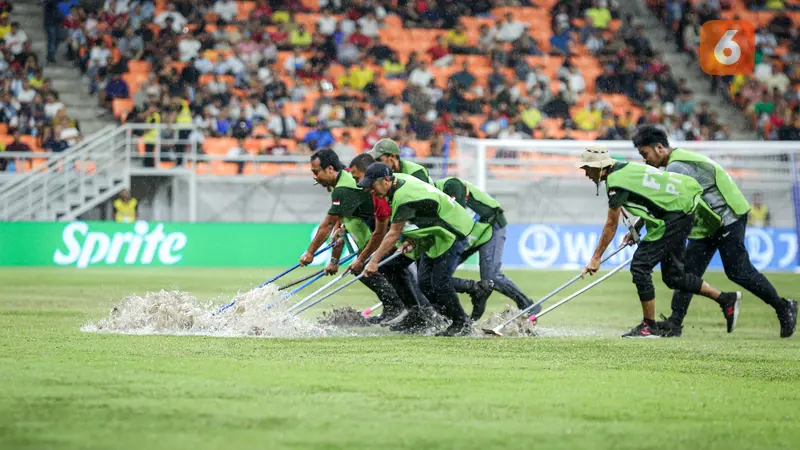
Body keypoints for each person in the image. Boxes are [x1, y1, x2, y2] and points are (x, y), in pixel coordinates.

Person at [632, 126, 797, 338]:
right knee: (687, 272)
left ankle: (784, 307)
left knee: (738, 271)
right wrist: (639, 225)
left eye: (645, 154)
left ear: (659, 148)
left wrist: (639, 227)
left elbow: (662, 205)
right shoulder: (677, 162)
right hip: (710, 222)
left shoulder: (677, 167)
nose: (645, 160)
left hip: (728, 216)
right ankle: (675, 322)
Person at [577, 146, 742, 338]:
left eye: (587, 168)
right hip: (682, 211)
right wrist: (637, 228)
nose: (586, 173)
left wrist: (596, 258)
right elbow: (654, 197)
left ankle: (649, 327)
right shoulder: (627, 168)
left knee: (640, 266)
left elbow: (611, 225)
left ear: (599, 167)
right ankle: (726, 300)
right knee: (674, 277)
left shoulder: (615, 181)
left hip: (674, 217)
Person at [359, 162, 476, 336]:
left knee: (439, 282)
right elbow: (422, 210)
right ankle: (449, 319)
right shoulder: (399, 182)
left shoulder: (402, 196)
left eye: (372, 185)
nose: (370, 190)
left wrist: (374, 261)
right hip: (434, 234)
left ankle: (461, 323)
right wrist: (412, 238)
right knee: (424, 283)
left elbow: (393, 234)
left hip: (453, 231)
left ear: (385, 180)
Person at [299, 149, 407, 325]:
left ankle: (399, 307)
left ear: (330, 169)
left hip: (380, 230)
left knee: (368, 269)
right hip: (374, 230)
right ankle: (396, 308)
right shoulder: (342, 183)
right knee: (371, 270)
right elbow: (339, 219)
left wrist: (310, 253)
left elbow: (326, 225)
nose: (314, 176)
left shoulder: (343, 188)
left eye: (315, 171)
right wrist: (334, 257)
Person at [434, 176, 538, 319]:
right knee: (437, 278)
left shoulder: (450, 186)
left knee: (491, 276)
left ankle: (528, 306)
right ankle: (455, 314)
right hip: (468, 236)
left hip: (490, 228)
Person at [348, 153, 433, 325]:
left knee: (427, 279)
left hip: (427, 235)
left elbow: (385, 232)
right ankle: (416, 314)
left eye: (359, 178)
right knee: (395, 269)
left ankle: (429, 314)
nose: (364, 188)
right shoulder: (381, 192)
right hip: (409, 237)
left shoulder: (395, 189)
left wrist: (368, 260)